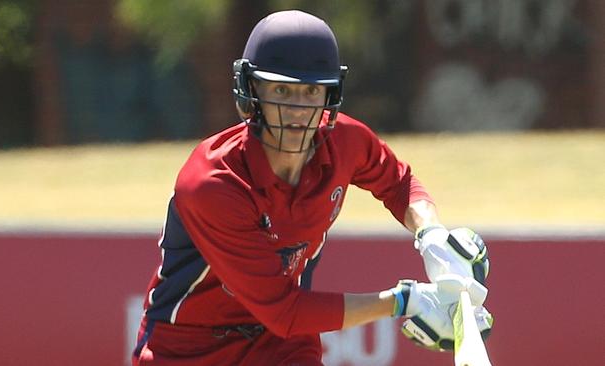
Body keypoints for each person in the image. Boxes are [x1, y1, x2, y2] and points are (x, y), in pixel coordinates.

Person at [132, 10, 493, 366]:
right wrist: (404, 300)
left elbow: (400, 184)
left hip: (282, 346)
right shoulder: (214, 183)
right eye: (281, 90)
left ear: (329, 94)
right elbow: (285, 311)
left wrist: (430, 234)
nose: (297, 109)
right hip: (188, 348)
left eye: (310, 91)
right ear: (250, 89)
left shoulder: (346, 142)